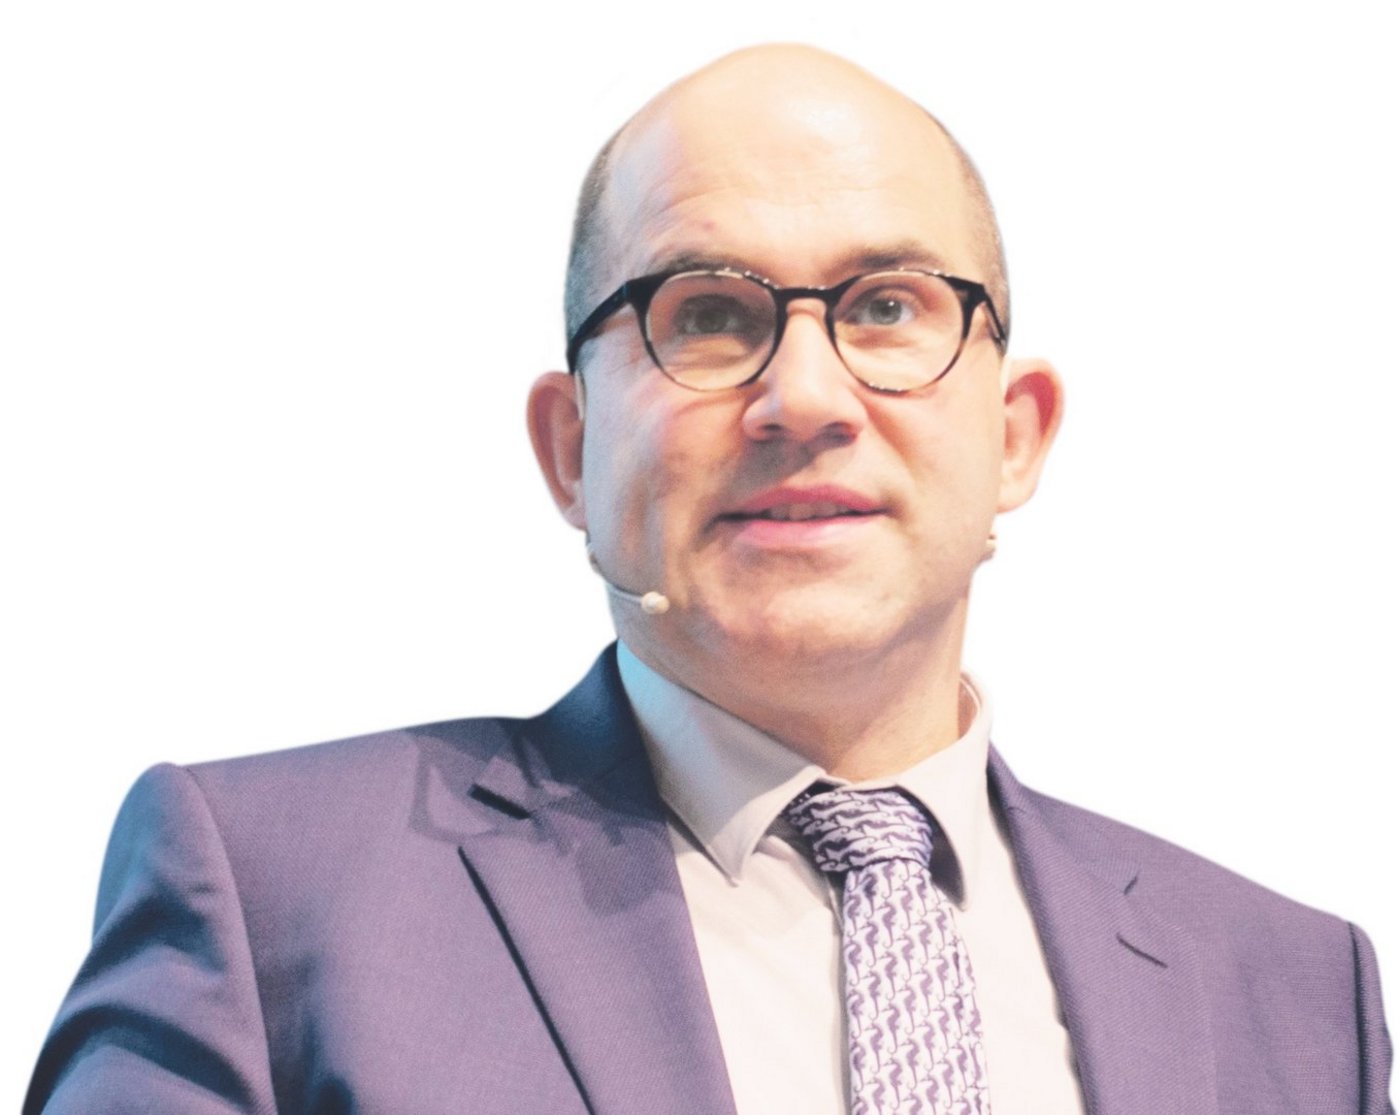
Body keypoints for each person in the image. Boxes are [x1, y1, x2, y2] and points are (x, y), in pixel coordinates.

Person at [25, 43, 1393, 1115]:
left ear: (1017, 434)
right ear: (570, 449)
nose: (806, 397)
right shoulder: (272, 895)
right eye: (711, 316)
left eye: (887, 307)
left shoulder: (1294, 997)